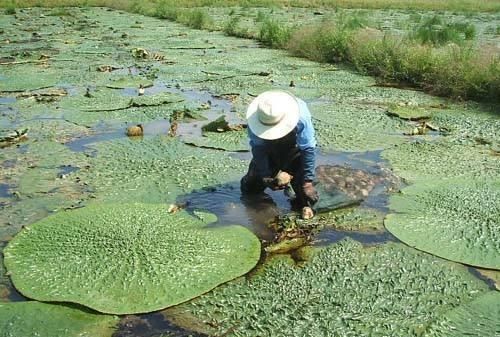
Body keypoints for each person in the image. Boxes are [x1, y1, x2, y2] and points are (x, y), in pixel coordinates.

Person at [240, 90, 319, 217]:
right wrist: (265, 176)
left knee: (306, 197)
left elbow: (308, 149)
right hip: (268, 148)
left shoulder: (301, 117)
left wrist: (307, 182)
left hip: (295, 148)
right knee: (249, 188)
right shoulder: (256, 120)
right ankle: (259, 212)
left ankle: (302, 201)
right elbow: (259, 149)